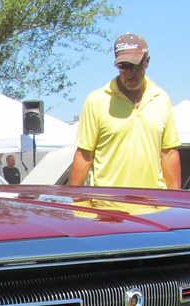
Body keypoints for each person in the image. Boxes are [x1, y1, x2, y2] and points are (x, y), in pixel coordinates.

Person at [69, 33, 181, 189]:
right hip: (107, 206)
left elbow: (169, 153)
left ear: (147, 62)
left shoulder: (161, 99)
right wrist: (75, 200)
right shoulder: (96, 100)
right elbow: (84, 155)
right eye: (123, 66)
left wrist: (175, 203)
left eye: (135, 65)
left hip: (153, 206)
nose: (129, 73)